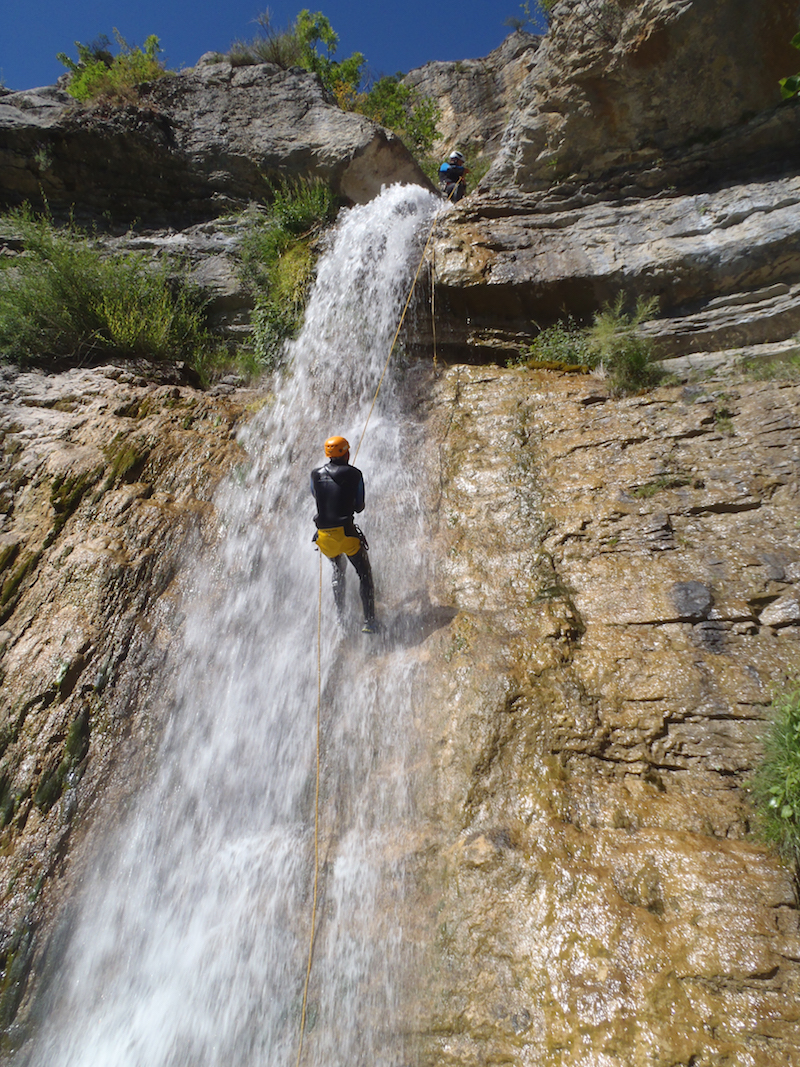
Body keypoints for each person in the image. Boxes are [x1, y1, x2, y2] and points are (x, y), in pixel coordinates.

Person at [310, 435, 377, 634]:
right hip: (346, 535)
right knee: (364, 574)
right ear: (346, 452)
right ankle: (369, 622)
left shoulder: (315, 474)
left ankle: (341, 618)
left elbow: (316, 494)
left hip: (324, 538)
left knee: (338, 571)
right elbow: (359, 506)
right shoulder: (355, 474)